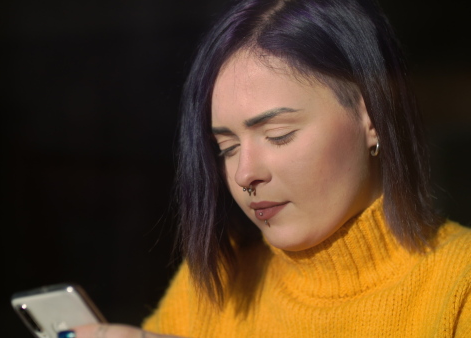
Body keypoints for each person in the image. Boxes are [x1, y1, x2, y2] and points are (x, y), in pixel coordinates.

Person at [63, 0, 471, 336]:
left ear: (372, 117)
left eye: (278, 135)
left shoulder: (459, 285)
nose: (245, 174)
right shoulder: (217, 284)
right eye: (226, 147)